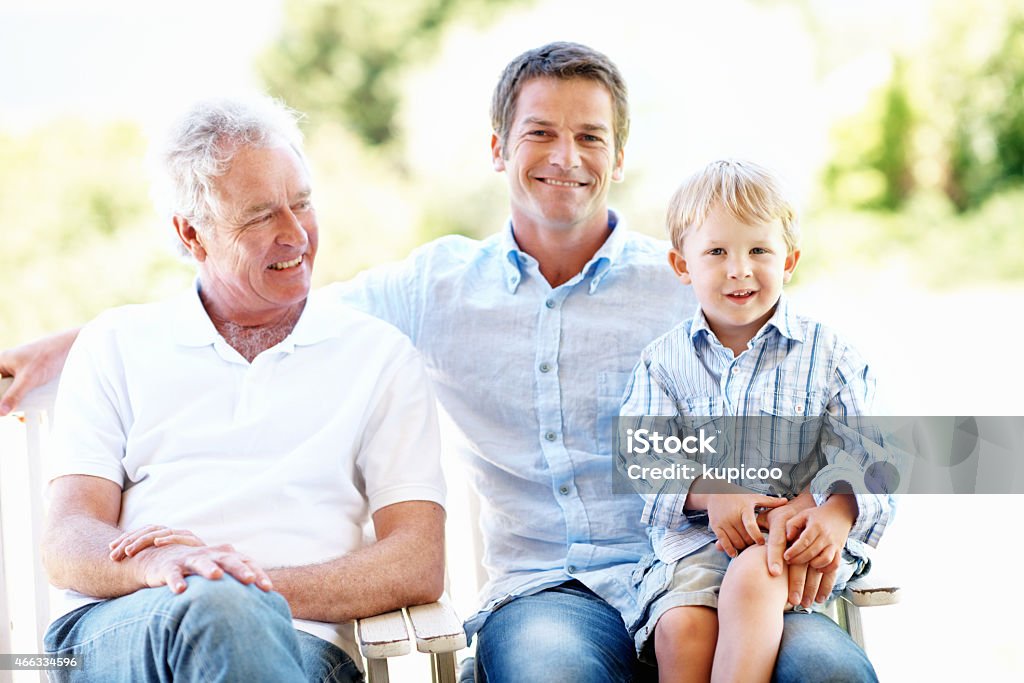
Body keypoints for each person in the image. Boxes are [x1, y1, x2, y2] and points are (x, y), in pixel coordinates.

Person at [2, 43, 879, 681]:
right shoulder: (437, 288)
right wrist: (62, 347)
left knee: (828, 675)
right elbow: (266, 297)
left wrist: (827, 507)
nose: (566, 159)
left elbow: (857, 418)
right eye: (540, 132)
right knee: (548, 675)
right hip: (546, 594)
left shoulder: (697, 278)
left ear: (619, 155)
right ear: (498, 150)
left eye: (590, 137)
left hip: (706, 575)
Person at [36, 97, 447, 682]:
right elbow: (68, 538)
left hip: (297, 644)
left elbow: (416, 561)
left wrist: (241, 588)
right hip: (127, 631)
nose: (295, 234)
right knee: (217, 611)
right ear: (192, 233)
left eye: (302, 203)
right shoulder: (116, 343)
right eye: (259, 216)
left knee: (227, 613)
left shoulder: (378, 357)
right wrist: (160, 563)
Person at [619, 160, 897, 682]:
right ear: (682, 265)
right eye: (717, 252)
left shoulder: (828, 354)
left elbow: (875, 457)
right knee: (680, 629)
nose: (739, 269)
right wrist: (711, 492)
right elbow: (641, 454)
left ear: (789, 259)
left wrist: (834, 512)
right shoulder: (664, 361)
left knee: (753, 576)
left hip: (798, 537)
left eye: (758, 250)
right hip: (702, 543)